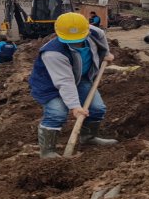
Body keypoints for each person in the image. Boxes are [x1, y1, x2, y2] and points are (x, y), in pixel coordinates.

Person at [29, 12, 118, 159]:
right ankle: (47, 152)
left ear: (87, 31)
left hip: (81, 78)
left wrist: (106, 54)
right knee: (56, 112)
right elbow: (65, 82)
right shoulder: (53, 53)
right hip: (49, 84)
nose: (75, 42)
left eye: (79, 38)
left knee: (96, 108)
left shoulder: (94, 32)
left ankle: (88, 138)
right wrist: (75, 107)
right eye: (70, 40)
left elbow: (102, 38)